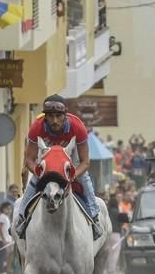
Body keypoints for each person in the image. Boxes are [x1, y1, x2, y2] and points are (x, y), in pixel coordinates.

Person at [15, 94, 103, 240]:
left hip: (71, 159)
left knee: (84, 179)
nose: (54, 121)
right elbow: (29, 160)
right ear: (45, 117)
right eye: (50, 116)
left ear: (65, 115)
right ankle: (21, 219)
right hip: (46, 160)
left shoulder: (77, 127)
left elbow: (85, 162)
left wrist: (73, 175)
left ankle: (95, 218)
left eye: (58, 116)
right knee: (34, 181)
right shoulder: (36, 127)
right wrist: (39, 173)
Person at [0, 201, 14, 274]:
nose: (9, 211)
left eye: (10, 209)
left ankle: (5, 270)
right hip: (1, 240)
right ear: (3, 209)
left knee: (6, 256)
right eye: (7, 209)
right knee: (1, 256)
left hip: (7, 240)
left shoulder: (6, 217)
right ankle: (0, 271)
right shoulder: (2, 216)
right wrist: (3, 239)